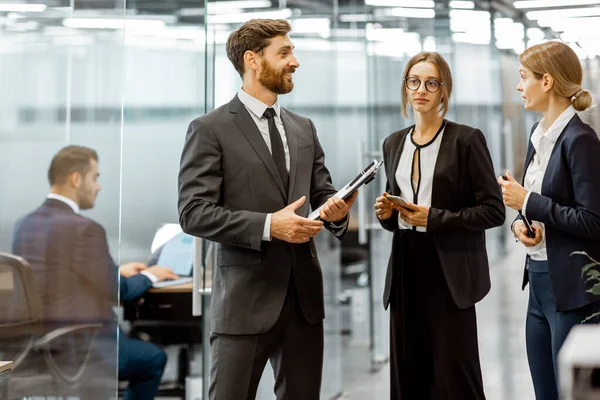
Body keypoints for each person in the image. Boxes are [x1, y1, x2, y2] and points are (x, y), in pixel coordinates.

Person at [178, 18, 357, 400]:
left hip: (304, 301)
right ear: (253, 60)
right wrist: (268, 226)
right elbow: (193, 211)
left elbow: (321, 193)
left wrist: (337, 211)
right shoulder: (210, 129)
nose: (295, 61)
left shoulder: (303, 128)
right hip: (244, 303)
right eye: (285, 52)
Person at [373, 51, 505, 399]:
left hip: (449, 271)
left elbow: (493, 211)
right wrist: (387, 215)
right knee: (408, 375)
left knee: (454, 376)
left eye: (431, 83)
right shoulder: (393, 143)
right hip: (405, 268)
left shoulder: (466, 139)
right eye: (413, 82)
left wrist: (433, 218)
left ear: (444, 91)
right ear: (405, 88)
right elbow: (400, 212)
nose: (421, 90)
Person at [12, 145, 178, 400]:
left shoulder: (25, 224)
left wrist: (116, 270)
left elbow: (56, 274)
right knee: (153, 359)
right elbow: (117, 292)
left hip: (35, 347)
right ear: (76, 179)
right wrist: (152, 274)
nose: (98, 186)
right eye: (95, 177)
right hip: (84, 347)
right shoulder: (84, 229)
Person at [498, 41, 600, 399]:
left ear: (547, 82)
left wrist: (528, 200)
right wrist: (521, 222)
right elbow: (543, 210)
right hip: (538, 285)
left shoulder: (580, 140)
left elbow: (593, 222)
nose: (518, 86)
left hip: (573, 291)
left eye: (523, 77)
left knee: (572, 393)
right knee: (545, 393)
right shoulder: (537, 136)